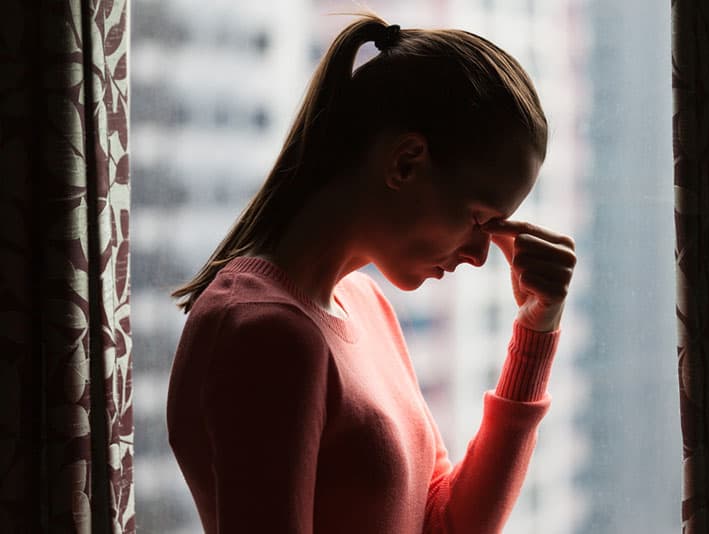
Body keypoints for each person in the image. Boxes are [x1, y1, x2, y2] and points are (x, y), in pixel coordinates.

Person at [166, 13, 576, 534]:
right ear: (406, 162)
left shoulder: (362, 304)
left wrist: (537, 330)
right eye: (478, 219)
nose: (481, 254)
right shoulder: (268, 333)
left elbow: (445, 524)